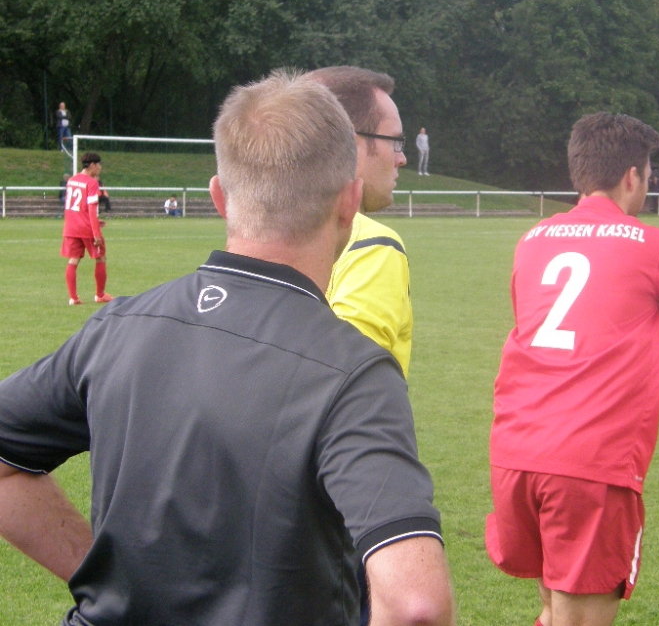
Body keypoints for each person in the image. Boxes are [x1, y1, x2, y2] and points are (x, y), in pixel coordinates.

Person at [0, 71, 455, 626]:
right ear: (349, 201)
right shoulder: (353, 371)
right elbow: (417, 605)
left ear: (219, 196)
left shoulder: (118, 324)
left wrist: (100, 572)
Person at [487, 112, 659, 626]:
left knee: (553, 609)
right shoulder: (657, 245)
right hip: (590, 461)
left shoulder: (532, 240)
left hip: (516, 453)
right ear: (632, 176)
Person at [310, 66, 413, 377]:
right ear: (351, 144)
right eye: (394, 141)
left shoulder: (262, 233)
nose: (401, 158)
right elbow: (344, 384)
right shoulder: (373, 245)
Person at [61, 152, 113, 305]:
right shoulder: (91, 183)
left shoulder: (72, 180)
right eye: (99, 165)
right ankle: (100, 295)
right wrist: (96, 231)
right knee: (100, 257)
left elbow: (74, 207)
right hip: (86, 228)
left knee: (73, 260)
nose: (100, 168)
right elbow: (90, 209)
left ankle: (73, 298)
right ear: (92, 165)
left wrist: (95, 221)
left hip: (71, 227)